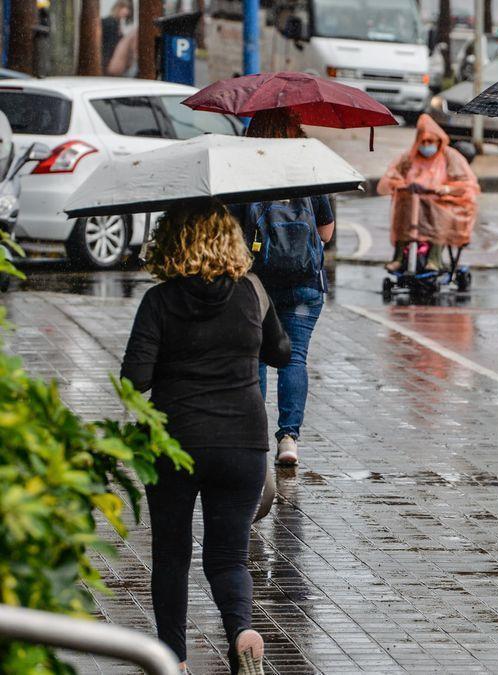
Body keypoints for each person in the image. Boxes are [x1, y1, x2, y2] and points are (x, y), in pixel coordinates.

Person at [121, 201, 291, 675]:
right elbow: (282, 352)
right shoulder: (252, 291)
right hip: (242, 441)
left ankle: (172, 661)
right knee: (229, 555)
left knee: (172, 556)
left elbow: (133, 379)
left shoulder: (159, 301)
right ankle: (241, 631)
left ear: (171, 241)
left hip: (175, 440)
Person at [229, 109, 336, 467]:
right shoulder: (308, 166)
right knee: (295, 358)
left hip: (256, 284)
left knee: (256, 357)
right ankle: (288, 438)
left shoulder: (244, 169)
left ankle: (254, 435)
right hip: (305, 283)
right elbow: (326, 232)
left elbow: (232, 229)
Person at [378, 114, 479, 272]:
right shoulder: (408, 158)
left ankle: (434, 258)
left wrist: (446, 189)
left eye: (430, 142)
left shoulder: (450, 157)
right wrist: (402, 185)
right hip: (414, 203)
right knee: (403, 208)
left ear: (439, 141)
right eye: (422, 142)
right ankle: (398, 257)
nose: (426, 146)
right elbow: (391, 178)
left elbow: (467, 184)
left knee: (439, 216)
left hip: (444, 203)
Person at [101, 0, 132, 73]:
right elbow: (111, 43)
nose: (126, 13)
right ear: (118, 9)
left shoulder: (115, 23)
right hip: (109, 58)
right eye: (124, 10)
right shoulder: (111, 23)